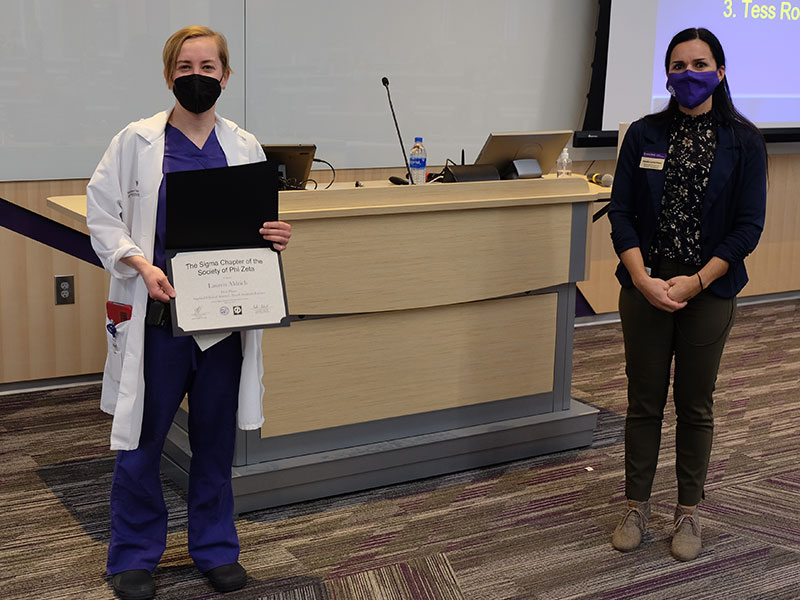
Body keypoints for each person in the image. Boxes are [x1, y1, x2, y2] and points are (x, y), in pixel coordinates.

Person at [86, 26, 292, 599]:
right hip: (159, 319)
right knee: (142, 439)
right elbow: (102, 216)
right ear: (168, 74)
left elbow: (254, 227)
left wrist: (274, 236)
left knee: (214, 440)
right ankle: (133, 556)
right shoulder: (135, 141)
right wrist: (138, 263)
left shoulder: (244, 146)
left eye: (207, 68)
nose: (196, 77)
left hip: (222, 322)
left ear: (226, 76)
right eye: (184, 67)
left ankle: (215, 547)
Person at [607, 27, 767, 562]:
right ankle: (636, 505)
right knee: (643, 400)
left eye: (700, 64)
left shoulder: (744, 141)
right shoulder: (644, 134)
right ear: (667, 75)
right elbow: (621, 213)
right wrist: (642, 278)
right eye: (678, 65)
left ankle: (688, 512)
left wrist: (697, 280)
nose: (689, 74)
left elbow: (748, 228)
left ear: (720, 72)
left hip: (710, 288)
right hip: (646, 284)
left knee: (695, 404)